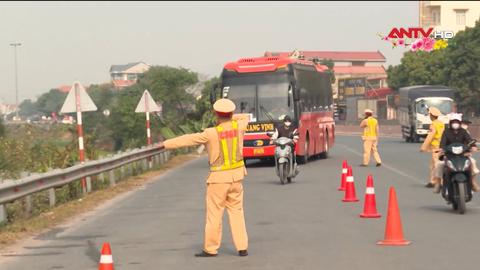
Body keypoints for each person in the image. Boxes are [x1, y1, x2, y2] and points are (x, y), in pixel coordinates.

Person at [161, 98, 249, 257]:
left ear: (216, 114)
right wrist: (230, 117)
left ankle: (211, 248)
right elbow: (245, 117)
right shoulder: (240, 127)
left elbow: (188, 139)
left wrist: (165, 144)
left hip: (218, 180)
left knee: (214, 215)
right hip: (237, 178)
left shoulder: (211, 133)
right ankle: (242, 247)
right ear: (231, 113)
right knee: (237, 212)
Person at [433, 115, 480, 193]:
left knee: (473, 162)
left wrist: (473, 147)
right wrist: (441, 149)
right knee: (439, 164)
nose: (455, 124)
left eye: (457, 122)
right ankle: (438, 184)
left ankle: (472, 182)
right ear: (450, 123)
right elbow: (442, 143)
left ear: (459, 123)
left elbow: (470, 140)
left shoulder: (463, 131)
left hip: (463, 155)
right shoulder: (446, 132)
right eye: (453, 122)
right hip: (449, 155)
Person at [420, 107, 444, 189]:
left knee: (436, 165)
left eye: (429, 114)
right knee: (434, 165)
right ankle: (433, 181)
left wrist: (423, 147)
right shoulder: (441, 124)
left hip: (436, 147)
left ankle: (437, 182)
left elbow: (430, 136)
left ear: (431, 115)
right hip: (442, 146)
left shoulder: (433, 125)